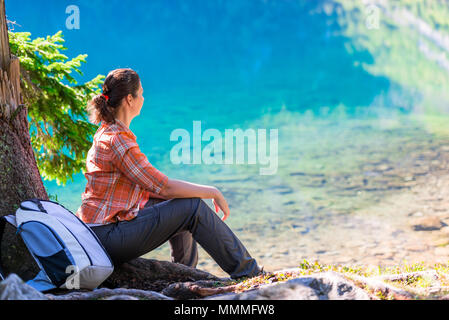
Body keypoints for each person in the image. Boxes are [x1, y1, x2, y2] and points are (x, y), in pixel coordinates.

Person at [76, 68, 262, 279]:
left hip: (100, 232)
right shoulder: (118, 141)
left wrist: (184, 194)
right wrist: (213, 191)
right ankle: (250, 273)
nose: (143, 98)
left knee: (182, 202)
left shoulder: (108, 131)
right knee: (191, 207)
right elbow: (163, 187)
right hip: (105, 238)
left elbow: (156, 188)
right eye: (141, 93)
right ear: (129, 99)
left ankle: (186, 276)